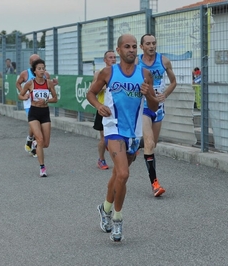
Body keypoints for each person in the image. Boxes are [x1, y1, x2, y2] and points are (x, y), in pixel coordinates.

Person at [87, 34, 158, 242]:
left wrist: (149, 95)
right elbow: (91, 94)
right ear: (118, 51)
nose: (131, 50)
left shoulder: (145, 74)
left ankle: (105, 208)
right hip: (113, 128)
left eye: (134, 47)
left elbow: (153, 107)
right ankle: (117, 220)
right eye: (127, 46)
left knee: (119, 175)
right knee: (124, 174)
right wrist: (99, 106)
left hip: (133, 133)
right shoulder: (108, 72)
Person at [136, 34, 177, 197]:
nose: (151, 46)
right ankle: (155, 184)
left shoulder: (164, 61)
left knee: (153, 145)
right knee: (149, 142)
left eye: (154, 43)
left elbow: (174, 82)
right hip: (143, 106)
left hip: (158, 107)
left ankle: (137, 146)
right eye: (148, 44)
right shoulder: (136, 62)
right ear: (142, 47)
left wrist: (165, 94)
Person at [18, 59, 58, 177]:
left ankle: (35, 143)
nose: (42, 71)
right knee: (40, 140)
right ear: (34, 71)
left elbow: (55, 98)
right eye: (39, 69)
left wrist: (46, 100)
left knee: (45, 144)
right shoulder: (30, 83)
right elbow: (20, 95)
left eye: (43, 68)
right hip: (34, 112)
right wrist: (24, 97)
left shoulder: (49, 83)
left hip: (45, 112)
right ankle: (42, 167)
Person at [92, 50, 117, 170]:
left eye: (114, 57)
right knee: (104, 138)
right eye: (110, 57)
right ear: (105, 60)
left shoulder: (119, 72)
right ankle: (101, 159)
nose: (113, 59)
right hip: (103, 108)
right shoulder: (100, 73)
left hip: (116, 109)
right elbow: (92, 90)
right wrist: (102, 86)